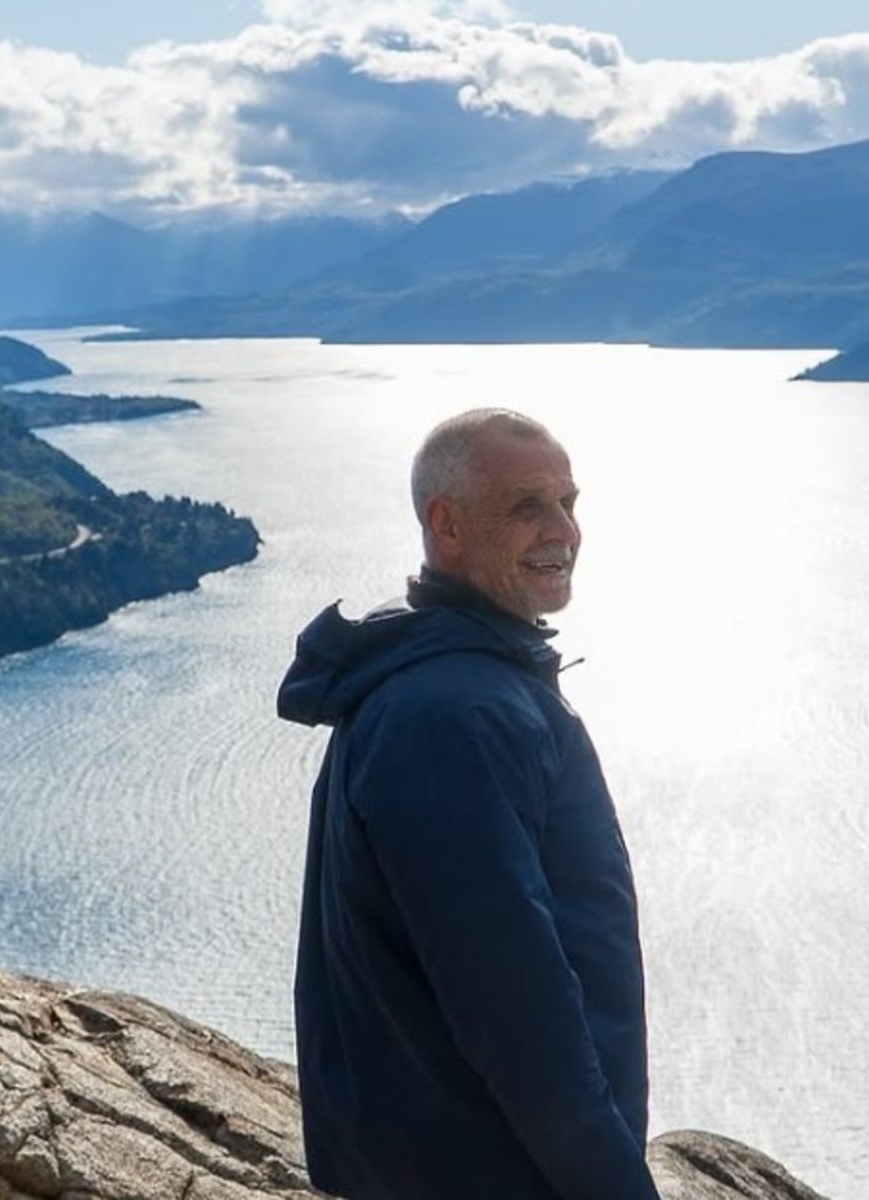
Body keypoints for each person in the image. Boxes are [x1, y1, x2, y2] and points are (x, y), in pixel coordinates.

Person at [278, 408, 661, 1200]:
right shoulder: (451, 718)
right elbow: (518, 1012)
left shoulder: (449, 680)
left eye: (570, 502)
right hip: (488, 1172)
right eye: (528, 507)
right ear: (446, 525)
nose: (565, 530)